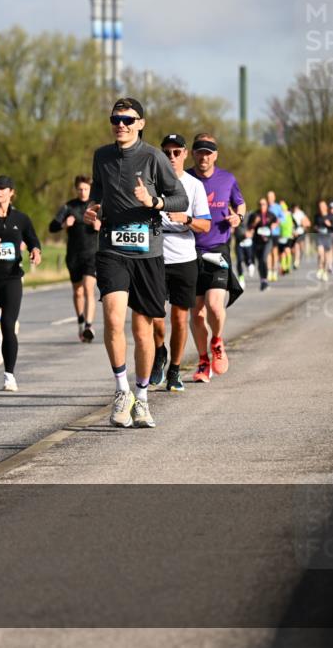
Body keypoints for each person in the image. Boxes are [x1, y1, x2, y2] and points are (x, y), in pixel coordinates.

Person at [83, 98, 188, 428]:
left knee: (143, 331)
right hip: (112, 250)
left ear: (140, 123)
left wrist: (154, 201)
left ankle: (142, 399)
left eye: (128, 119)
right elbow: (98, 194)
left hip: (148, 254)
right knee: (113, 319)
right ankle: (121, 390)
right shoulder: (101, 156)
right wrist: (93, 209)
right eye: (116, 118)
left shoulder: (154, 157)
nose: (121, 124)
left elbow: (180, 198)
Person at [148, 135, 211, 392]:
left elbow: (205, 225)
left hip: (184, 257)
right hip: (154, 255)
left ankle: (174, 369)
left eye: (176, 152)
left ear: (185, 154)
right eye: (166, 152)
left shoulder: (194, 185)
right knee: (154, 315)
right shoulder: (152, 182)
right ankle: (159, 352)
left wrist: (185, 219)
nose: (171, 157)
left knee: (180, 317)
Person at [187, 133, 246, 383]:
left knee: (214, 305)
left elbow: (241, 204)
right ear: (193, 154)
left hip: (218, 250)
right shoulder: (185, 179)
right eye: (200, 151)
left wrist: (238, 218)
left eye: (209, 152)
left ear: (216, 155)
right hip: (189, 251)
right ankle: (203, 361)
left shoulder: (227, 179)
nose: (204, 156)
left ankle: (217, 341)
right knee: (197, 314)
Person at [0, 175, 42, 392]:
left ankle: (9, 376)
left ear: (11, 192)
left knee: (8, 325)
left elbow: (33, 240)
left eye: (2, 189)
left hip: (13, 279)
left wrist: (35, 251)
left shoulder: (21, 219)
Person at [49, 175, 100, 342]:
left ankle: (89, 326)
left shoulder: (96, 206)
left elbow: (108, 223)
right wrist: (64, 224)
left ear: (90, 189)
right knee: (78, 292)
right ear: (76, 189)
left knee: (88, 289)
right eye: (80, 189)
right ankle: (80, 321)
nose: (83, 192)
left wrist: (99, 225)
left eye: (86, 189)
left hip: (91, 254)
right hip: (73, 255)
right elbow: (52, 227)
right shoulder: (68, 207)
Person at [245, 198, 278, 291]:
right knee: (260, 262)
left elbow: (276, 221)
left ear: (267, 205)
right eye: (260, 204)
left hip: (268, 241)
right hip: (257, 241)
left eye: (263, 204)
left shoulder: (270, 215)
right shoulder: (255, 214)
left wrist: (274, 225)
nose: (261, 206)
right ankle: (263, 280)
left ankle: (266, 279)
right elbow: (249, 226)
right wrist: (254, 223)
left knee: (264, 259)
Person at [314, 199, 333, 281]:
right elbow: (315, 226)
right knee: (320, 254)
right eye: (320, 206)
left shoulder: (331, 216)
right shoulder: (317, 216)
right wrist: (316, 228)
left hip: (328, 238)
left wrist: (329, 225)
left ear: (326, 207)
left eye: (323, 206)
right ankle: (320, 268)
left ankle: (325, 272)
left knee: (326, 257)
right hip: (320, 237)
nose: (321, 208)